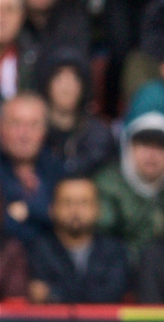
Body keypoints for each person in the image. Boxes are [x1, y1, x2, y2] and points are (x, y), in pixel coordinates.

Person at [94, 112, 164, 262]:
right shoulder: (107, 184)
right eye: (144, 145)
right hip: (118, 270)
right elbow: (102, 239)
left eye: (160, 147)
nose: (151, 155)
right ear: (128, 149)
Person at [26, 177, 128, 304]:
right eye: (67, 202)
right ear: (52, 209)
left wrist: (54, 294)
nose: (75, 210)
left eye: (84, 202)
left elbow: (111, 295)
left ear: (98, 209)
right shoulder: (38, 249)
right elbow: (37, 294)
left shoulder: (114, 250)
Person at [37, 49, 117, 177]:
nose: (67, 86)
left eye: (75, 78)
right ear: (46, 84)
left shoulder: (99, 137)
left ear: (84, 86)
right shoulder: (33, 132)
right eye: (59, 78)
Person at [1, 92, 62, 244]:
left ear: (45, 131)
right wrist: (45, 212)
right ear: (1, 128)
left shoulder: (58, 170)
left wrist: (27, 209)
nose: (25, 134)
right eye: (16, 124)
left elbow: (67, 223)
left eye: (34, 125)